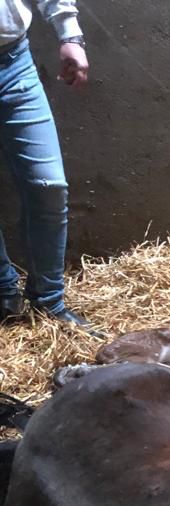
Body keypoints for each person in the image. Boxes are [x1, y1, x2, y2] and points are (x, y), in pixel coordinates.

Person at [0, 0, 92, 329]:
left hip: (13, 62)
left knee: (49, 186)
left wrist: (70, 35)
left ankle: (47, 301)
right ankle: (4, 294)